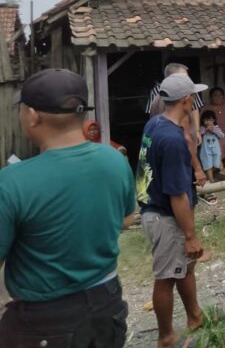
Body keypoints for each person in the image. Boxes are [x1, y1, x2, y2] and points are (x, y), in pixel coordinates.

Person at [0, 69, 135, 347]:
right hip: (107, 306)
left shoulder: (11, 182)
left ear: (33, 116)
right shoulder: (115, 161)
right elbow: (125, 220)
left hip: (43, 322)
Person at [138, 73, 208, 348]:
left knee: (185, 267)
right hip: (166, 216)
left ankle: (195, 317)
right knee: (166, 277)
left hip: (154, 208)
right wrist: (190, 234)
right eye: (193, 96)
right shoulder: (172, 139)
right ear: (186, 100)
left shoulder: (154, 124)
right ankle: (166, 337)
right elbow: (177, 195)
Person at [147, 62, 206, 188]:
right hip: (178, 153)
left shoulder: (151, 125)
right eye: (184, 77)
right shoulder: (175, 133)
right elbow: (187, 139)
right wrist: (198, 169)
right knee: (180, 188)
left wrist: (196, 130)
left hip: (157, 173)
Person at [199, 110, 224, 186]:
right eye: (206, 120)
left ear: (214, 120)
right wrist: (206, 129)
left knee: (218, 162)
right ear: (203, 121)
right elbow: (199, 134)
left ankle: (222, 175)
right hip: (206, 151)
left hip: (216, 150)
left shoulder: (216, 128)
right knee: (208, 164)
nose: (208, 122)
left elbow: (222, 135)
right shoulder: (201, 128)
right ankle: (211, 180)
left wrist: (213, 130)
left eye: (210, 120)